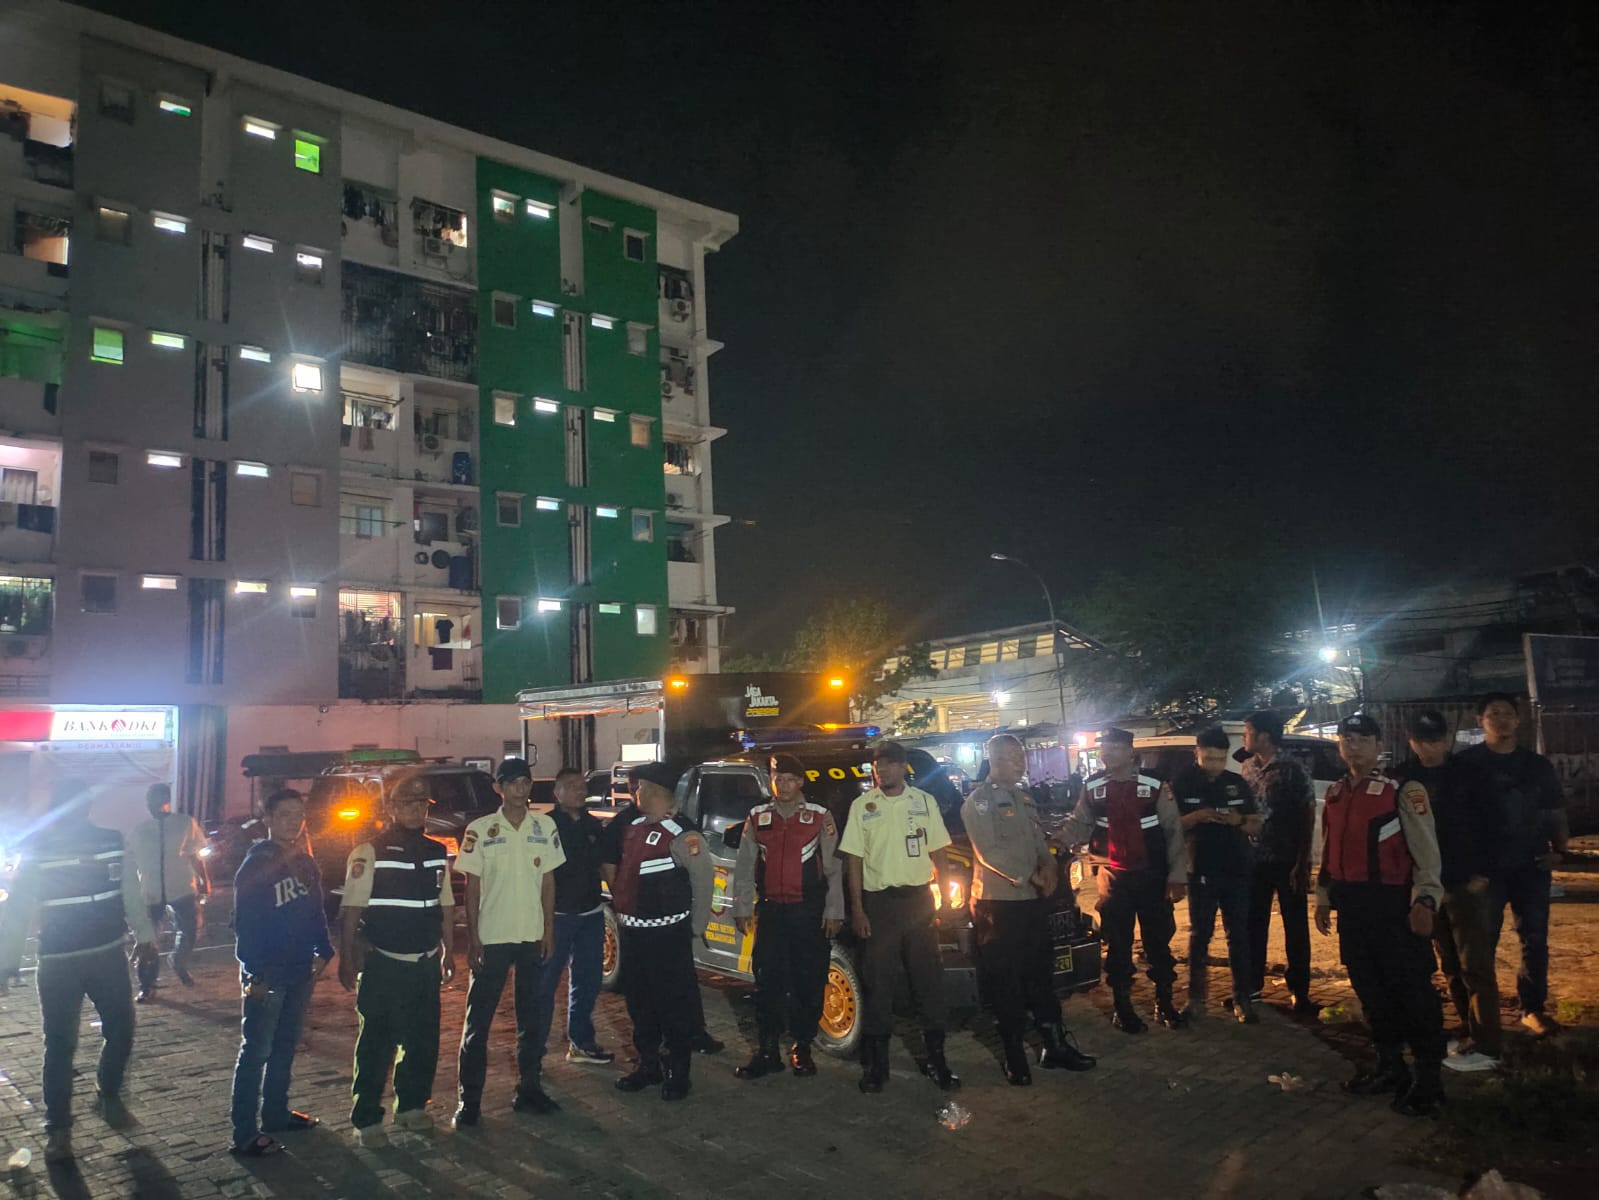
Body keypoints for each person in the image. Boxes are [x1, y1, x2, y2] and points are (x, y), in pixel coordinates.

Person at [0, 779, 158, 1164]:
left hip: (106, 955)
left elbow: (129, 892)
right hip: (59, 962)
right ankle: (59, 1128)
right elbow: (18, 907)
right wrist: (7, 963)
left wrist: (145, 935)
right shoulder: (39, 849)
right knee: (60, 1045)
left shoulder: (112, 841)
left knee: (119, 1029)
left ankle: (106, 1094)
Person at [1315, 714, 1446, 1118]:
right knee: (1370, 990)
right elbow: (1329, 852)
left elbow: (1427, 852)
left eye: (1361, 738)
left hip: (1393, 905)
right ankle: (1390, 1067)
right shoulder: (1336, 793)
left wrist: (1426, 900)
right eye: (1346, 739)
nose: (1352, 745)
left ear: (1378, 745)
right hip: (1353, 906)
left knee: (1412, 991)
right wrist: (1323, 898)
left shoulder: (1402, 790)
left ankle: (1429, 1081)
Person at [961, 734, 1096, 1085]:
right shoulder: (979, 802)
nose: (1021, 762)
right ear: (994, 760)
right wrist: (1030, 876)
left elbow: (1038, 842)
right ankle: (1014, 1054)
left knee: (1040, 974)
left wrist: (1048, 866)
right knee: (1006, 980)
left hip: (1032, 901)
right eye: (1013, 757)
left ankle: (1055, 1046)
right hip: (999, 904)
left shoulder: (1023, 797)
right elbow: (988, 852)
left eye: (1021, 756)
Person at [337, 776, 455, 1147]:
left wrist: (448, 950)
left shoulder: (436, 850)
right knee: (376, 1042)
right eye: (407, 803)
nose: (416, 810)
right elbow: (352, 909)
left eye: (422, 804)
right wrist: (347, 958)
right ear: (391, 808)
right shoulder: (369, 851)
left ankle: (411, 1106)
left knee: (423, 1040)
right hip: (384, 963)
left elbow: (446, 904)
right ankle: (367, 1119)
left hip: (424, 962)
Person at [839, 739, 959, 1094]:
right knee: (878, 984)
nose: (883, 770)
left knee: (928, 982)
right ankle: (877, 1066)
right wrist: (858, 909)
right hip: (880, 906)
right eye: (878, 765)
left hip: (918, 902)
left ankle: (937, 1061)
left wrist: (945, 897)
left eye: (890, 764)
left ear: (903, 767)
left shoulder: (923, 802)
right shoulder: (863, 807)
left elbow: (939, 852)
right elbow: (854, 861)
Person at [1050, 727, 1186, 1033]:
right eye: (1104, 748)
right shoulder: (1093, 785)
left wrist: (1177, 877)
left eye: (1113, 747)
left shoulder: (1154, 784)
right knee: (1118, 944)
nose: (1106, 753)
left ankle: (1164, 1003)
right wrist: (1057, 842)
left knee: (1158, 942)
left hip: (1152, 877)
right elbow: (1080, 823)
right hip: (1113, 879)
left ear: (1130, 751)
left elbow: (1173, 831)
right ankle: (1122, 1008)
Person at [453, 757, 563, 1127]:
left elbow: (548, 882)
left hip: (531, 936)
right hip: (493, 938)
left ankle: (529, 1089)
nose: (520, 788)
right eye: (512, 782)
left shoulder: (544, 826)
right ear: (498, 788)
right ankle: (469, 1101)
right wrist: (473, 938)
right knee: (478, 1023)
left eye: (525, 782)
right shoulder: (481, 830)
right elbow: (472, 888)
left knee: (531, 1019)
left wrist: (548, 931)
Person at [229, 788, 335, 1156]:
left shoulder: (305, 862)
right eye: (285, 814)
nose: (293, 821)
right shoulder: (255, 865)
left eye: (298, 814)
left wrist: (324, 949)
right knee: (256, 1050)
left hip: (300, 968)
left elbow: (316, 910)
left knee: (285, 1045)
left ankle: (275, 1113)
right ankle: (244, 1133)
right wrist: (253, 974)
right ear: (268, 820)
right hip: (267, 972)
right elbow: (245, 924)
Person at [1457, 692, 1569, 1038]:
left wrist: (1560, 851)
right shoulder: (1466, 765)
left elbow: (1554, 810)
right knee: (1481, 944)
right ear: (1480, 721)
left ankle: (1532, 1009)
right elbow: (1454, 819)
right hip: (1484, 871)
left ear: (1518, 720)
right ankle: (1481, 1016)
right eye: (1494, 713)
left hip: (1531, 865)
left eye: (1508, 713)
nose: (1501, 719)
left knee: (1534, 939)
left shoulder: (1536, 766)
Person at [1396, 710, 1501, 1071]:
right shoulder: (1403, 778)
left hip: (1463, 883)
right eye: (1422, 741)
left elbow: (1492, 824)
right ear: (1411, 742)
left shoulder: (1469, 774)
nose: (1429, 748)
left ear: (1446, 741)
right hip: (1427, 886)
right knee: (1450, 965)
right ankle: (1469, 1029)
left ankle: (1488, 1043)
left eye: (1436, 740)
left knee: (1476, 965)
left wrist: (1483, 873)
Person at [730, 753, 844, 1080]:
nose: (784, 785)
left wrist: (834, 910)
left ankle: (802, 1047)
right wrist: (742, 906)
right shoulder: (757, 816)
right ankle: (767, 1050)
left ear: (801, 782)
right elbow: (744, 866)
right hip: (772, 912)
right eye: (778, 779)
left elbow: (834, 868)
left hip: (808, 912)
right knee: (768, 981)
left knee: (808, 980)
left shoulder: (819, 816)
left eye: (791, 779)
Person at [606, 761, 714, 1101]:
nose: (635, 792)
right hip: (634, 934)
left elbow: (704, 881)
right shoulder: (633, 828)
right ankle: (648, 1065)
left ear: (653, 791)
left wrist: (695, 927)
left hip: (667, 936)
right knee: (640, 1004)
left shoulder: (681, 834)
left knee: (673, 1006)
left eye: (639, 787)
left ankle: (678, 1073)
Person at [1174, 727, 1262, 1023]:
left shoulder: (1235, 783)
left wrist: (1238, 820)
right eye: (1209, 758)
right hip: (1200, 869)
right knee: (1200, 936)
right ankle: (1196, 999)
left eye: (1220, 759)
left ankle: (1242, 998)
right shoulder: (1182, 783)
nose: (1215, 765)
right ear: (1196, 752)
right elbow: (1170, 826)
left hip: (1237, 869)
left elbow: (1255, 824)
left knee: (1239, 936)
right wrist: (1196, 817)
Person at [534, 766, 615, 1071]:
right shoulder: (544, 826)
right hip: (555, 917)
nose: (580, 791)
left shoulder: (594, 826)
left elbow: (605, 866)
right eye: (572, 786)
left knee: (587, 981)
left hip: (590, 915)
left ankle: (581, 1042)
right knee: (544, 985)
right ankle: (534, 1051)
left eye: (582, 786)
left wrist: (619, 900)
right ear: (557, 792)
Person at [1239, 711, 1316, 1016]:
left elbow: (1307, 814)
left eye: (1248, 731)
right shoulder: (1247, 767)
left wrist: (1303, 859)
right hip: (1254, 860)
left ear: (1264, 736)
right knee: (1253, 924)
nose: (1245, 737)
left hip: (1287, 858)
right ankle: (1252, 987)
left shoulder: (1293, 769)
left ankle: (1300, 991)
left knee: (1295, 926)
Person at [126, 782, 209, 1001]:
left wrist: (204, 880)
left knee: (190, 930)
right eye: (149, 800)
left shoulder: (184, 823)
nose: (151, 804)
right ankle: (147, 985)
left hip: (182, 886)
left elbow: (194, 854)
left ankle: (178, 961)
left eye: (156, 798)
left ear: (166, 800)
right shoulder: (140, 830)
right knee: (147, 940)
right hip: (150, 891)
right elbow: (130, 862)